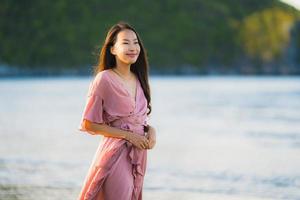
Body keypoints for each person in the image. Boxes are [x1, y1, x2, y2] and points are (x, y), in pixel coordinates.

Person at [77, 21, 156, 200]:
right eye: (126, 43)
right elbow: (89, 124)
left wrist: (151, 131)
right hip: (115, 154)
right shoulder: (104, 79)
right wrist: (128, 136)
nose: (133, 47)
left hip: (138, 154)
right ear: (112, 49)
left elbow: (138, 120)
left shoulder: (139, 78)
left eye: (136, 42)